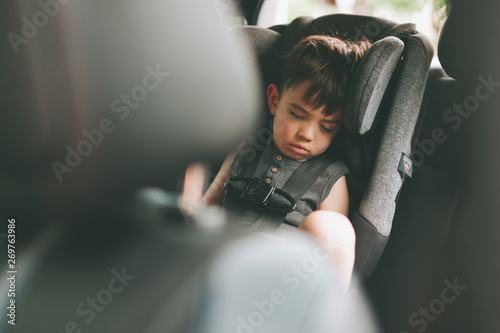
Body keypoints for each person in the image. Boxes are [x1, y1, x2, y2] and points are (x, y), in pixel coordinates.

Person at [184, 35, 371, 287]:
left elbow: (329, 250)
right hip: (219, 263)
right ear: (274, 100)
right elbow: (209, 205)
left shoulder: (331, 178)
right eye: (297, 114)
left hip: (280, 280)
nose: (307, 134)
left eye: (326, 127)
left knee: (334, 228)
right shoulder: (244, 149)